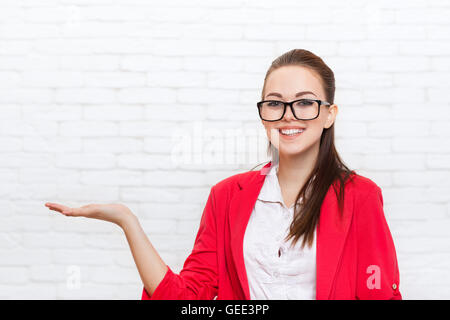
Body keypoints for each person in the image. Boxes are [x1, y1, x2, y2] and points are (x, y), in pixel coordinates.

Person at [45, 49, 402, 300]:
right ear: (264, 115)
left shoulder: (359, 196)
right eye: (275, 103)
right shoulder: (228, 197)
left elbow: (378, 295)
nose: (288, 115)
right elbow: (187, 295)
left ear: (329, 114)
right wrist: (127, 221)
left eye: (306, 103)